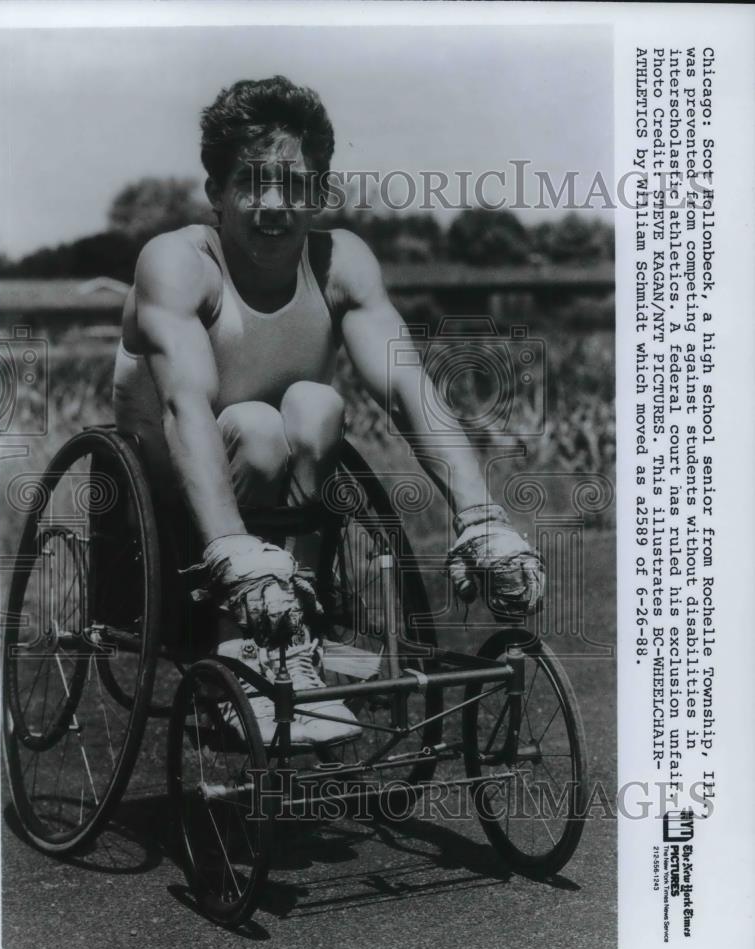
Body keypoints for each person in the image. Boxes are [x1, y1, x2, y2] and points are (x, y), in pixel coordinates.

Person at [113, 75, 544, 745]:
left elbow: (408, 389)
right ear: (216, 194)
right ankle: (245, 642)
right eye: (253, 182)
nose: (274, 205)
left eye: (295, 184)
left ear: (319, 191)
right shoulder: (176, 262)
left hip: (283, 474)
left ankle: (296, 636)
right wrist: (234, 552)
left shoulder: (343, 262)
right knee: (257, 428)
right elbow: (183, 401)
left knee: (317, 406)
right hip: (167, 476)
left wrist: (480, 516)